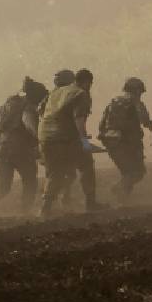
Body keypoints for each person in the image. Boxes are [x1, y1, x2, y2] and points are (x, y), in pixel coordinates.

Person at [0, 77, 48, 213]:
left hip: (2, 149)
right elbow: (30, 126)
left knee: (3, 186)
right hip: (21, 150)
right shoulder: (28, 108)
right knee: (30, 182)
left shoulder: (5, 106)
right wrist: (42, 142)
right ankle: (25, 211)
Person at [38, 68, 96, 216]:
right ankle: (91, 203)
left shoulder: (55, 92)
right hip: (64, 138)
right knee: (86, 165)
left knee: (54, 173)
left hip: (45, 137)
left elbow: (41, 111)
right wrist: (85, 142)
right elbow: (79, 121)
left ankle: (45, 208)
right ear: (87, 82)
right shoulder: (80, 93)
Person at [98, 77, 152, 200]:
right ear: (136, 90)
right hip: (128, 143)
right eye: (140, 91)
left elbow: (102, 125)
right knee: (137, 173)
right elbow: (144, 119)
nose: (140, 94)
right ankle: (117, 190)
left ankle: (122, 198)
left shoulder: (113, 102)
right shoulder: (135, 103)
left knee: (128, 172)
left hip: (112, 143)